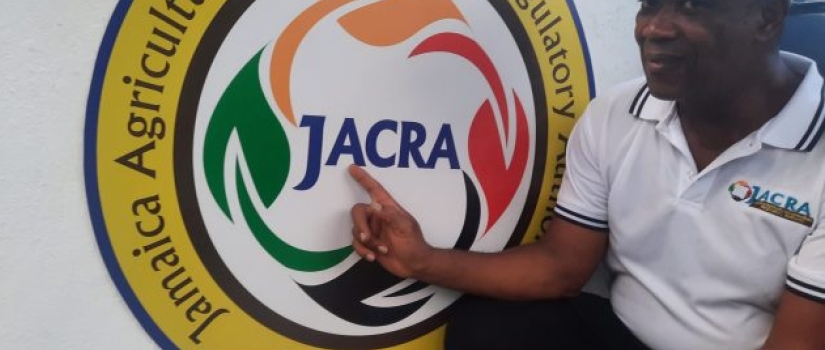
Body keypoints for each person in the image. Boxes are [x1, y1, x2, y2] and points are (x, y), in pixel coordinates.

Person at [349, 0, 825, 349]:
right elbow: (560, 267)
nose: (654, 28)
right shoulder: (616, 113)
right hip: (621, 335)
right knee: (493, 327)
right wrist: (423, 260)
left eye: (692, 7)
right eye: (650, 5)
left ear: (767, 17)